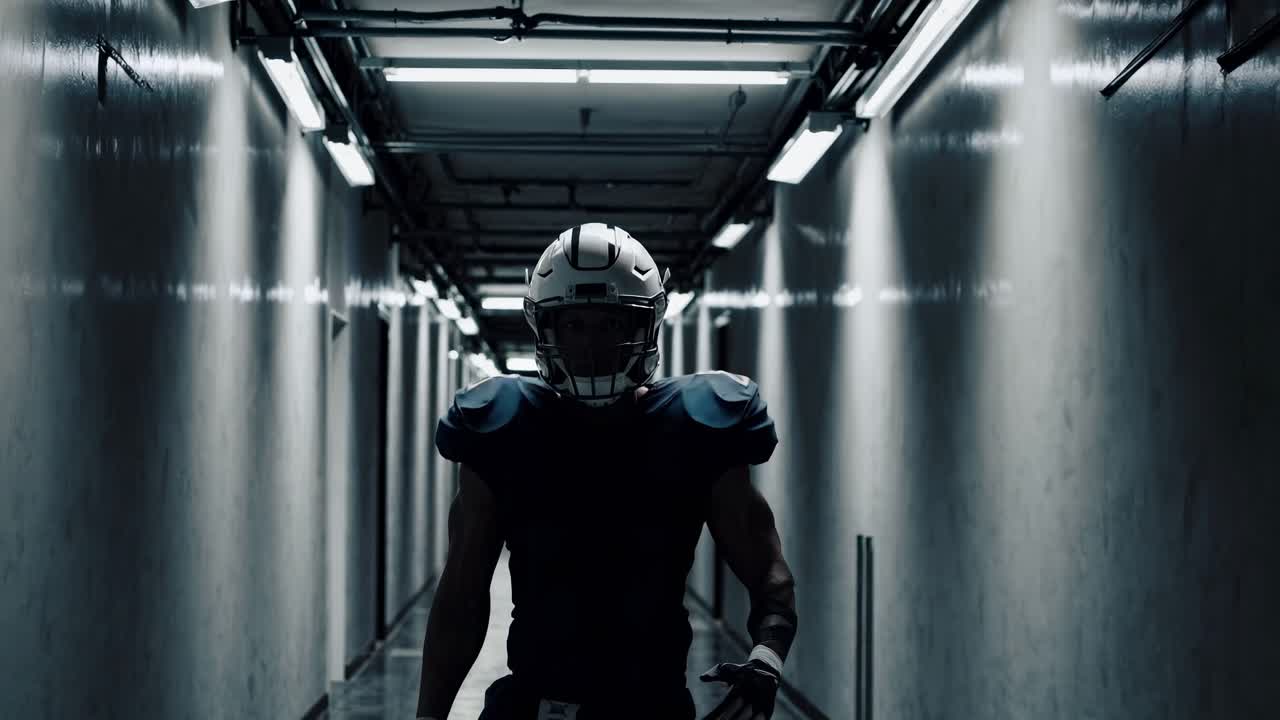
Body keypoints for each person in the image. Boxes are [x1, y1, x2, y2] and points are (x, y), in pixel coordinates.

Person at [414, 223, 798, 720]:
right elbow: (462, 599)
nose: (591, 345)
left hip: (650, 708)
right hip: (533, 707)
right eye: (574, 325)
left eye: (610, 325)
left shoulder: (698, 430)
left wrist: (766, 658)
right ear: (547, 329)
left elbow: (770, 576)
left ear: (644, 326)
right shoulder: (505, 432)